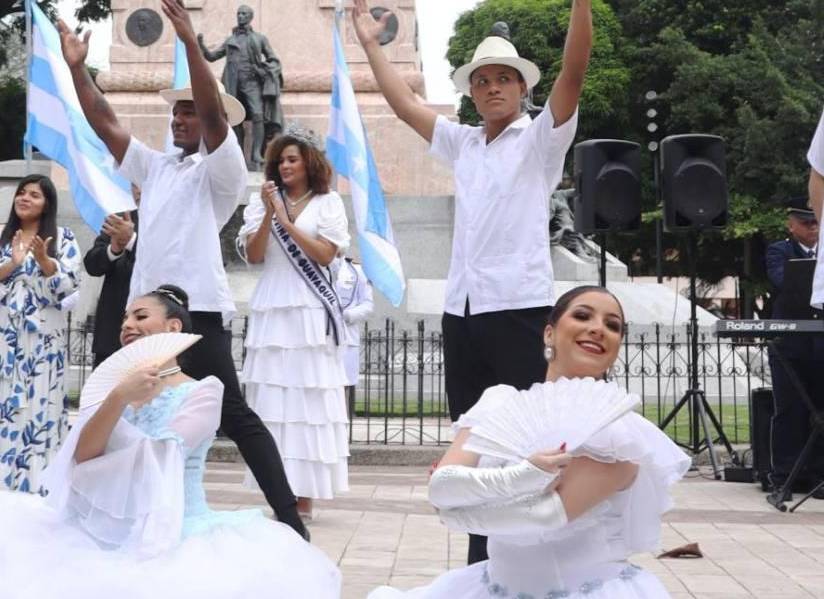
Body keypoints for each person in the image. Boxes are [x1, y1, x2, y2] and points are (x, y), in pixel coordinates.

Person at [353, 0, 592, 564]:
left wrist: (582, 6)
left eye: (502, 79)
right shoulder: (462, 142)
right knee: (477, 446)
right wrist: (370, 46)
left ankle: (536, 558)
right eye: (481, 80)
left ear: (520, 87)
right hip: (462, 315)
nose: (491, 88)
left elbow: (574, 72)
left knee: (531, 446)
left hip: (519, 311)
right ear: (472, 91)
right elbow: (404, 104)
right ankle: (483, 565)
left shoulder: (539, 141)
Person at [57, 0, 308, 539]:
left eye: (189, 111)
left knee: (235, 417)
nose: (179, 119)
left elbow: (217, 117)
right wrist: (78, 69)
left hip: (196, 315)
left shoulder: (221, 169)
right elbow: (105, 123)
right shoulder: (155, 165)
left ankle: (290, 520)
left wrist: (191, 43)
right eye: (175, 112)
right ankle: (124, 516)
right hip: (145, 321)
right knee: (129, 409)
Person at [0, 285, 341, 598]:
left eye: (141, 316)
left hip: (174, 531)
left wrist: (104, 452)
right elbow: (83, 457)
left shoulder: (203, 391)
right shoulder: (111, 392)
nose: (127, 325)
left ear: (174, 327)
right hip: (99, 531)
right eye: (124, 318)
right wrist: (118, 398)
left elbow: (160, 458)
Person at [369, 286, 691, 599]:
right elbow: (441, 489)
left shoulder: (618, 433)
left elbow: (542, 517)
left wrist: (457, 510)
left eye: (613, 325)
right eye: (582, 316)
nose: (597, 329)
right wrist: (525, 475)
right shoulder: (499, 403)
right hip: (493, 585)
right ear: (549, 334)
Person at [237, 125, 351, 521]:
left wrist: (287, 222)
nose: (284, 166)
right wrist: (271, 214)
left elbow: (324, 255)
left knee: (307, 399)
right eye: (279, 160)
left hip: (309, 308)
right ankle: (277, 488)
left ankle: (304, 496)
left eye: (292, 158)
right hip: (273, 306)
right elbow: (252, 255)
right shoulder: (262, 202)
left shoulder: (328, 202)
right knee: (273, 400)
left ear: (308, 162)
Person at [0, 174, 81, 493]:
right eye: (22, 193)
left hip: (45, 341)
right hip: (6, 339)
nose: (25, 198)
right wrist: (12, 264)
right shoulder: (3, 239)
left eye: (34, 194)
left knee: (40, 404)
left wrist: (46, 262)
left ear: (47, 203)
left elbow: (70, 286)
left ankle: (38, 485)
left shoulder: (64, 238)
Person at [766, 197, 824, 499]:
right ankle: (784, 476)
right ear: (791, 225)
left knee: (820, 409)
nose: (812, 227)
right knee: (789, 410)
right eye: (805, 222)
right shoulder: (780, 250)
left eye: (815, 221)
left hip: (819, 344)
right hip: (789, 344)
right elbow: (781, 280)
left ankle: (816, 475)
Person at [198, 3, 284, 169]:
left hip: (253, 83)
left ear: (250, 17)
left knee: (258, 115)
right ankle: (239, 154)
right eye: (239, 13)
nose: (240, 16)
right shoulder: (231, 40)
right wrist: (200, 45)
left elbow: (273, 59)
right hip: (234, 84)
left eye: (244, 14)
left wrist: (265, 70)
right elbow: (212, 56)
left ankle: (257, 154)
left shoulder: (259, 39)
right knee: (235, 118)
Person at [84, 186, 139, 368]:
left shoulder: (173, 218)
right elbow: (92, 264)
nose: (139, 189)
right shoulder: (121, 217)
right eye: (135, 183)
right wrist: (114, 249)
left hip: (153, 332)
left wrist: (131, 241)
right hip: (113, 328)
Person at [335, 256, 374, 411]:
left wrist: (346, 316)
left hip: (346, 336)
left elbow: (367, 305)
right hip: (316, 336)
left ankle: (341, 433)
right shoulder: (311, 265)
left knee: (342, 388)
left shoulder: (356, 270)